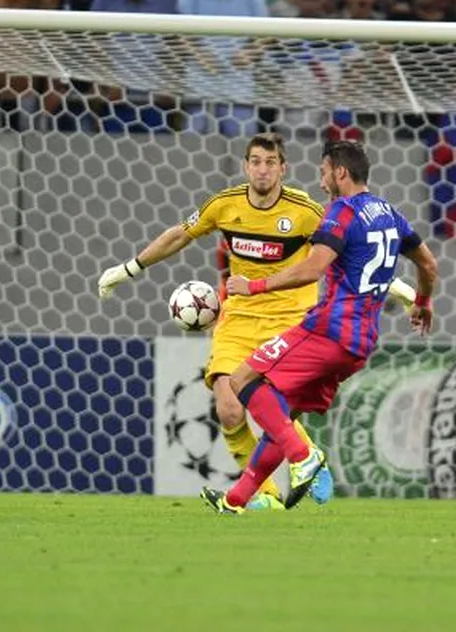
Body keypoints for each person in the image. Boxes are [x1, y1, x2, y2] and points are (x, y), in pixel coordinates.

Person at [98, 134, 419, 505]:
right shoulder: (225, 205)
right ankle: (268, 493)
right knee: (228, 405)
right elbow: (179, 236)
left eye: (270, 162)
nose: (262, 169)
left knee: (270, 404)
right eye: (255, 161)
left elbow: (352, 251)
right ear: (246, 165)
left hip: (289, 315)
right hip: (239, 316)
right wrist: (130, 268)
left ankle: (302, 460)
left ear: (283, 167)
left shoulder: (306, 211)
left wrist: (396, 288)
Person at [202, 139, 439, 514]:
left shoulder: (341, 212)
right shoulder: (391, 214)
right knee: (283, 413)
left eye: (325, 170)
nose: (321, 176)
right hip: (360, 344)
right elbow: (428, 265)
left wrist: (254, 286)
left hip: (328, 328)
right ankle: (237, 500)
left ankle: (304, 457)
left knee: (242, 379)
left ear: (340, 172)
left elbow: (312, 269)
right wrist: (423, 303)